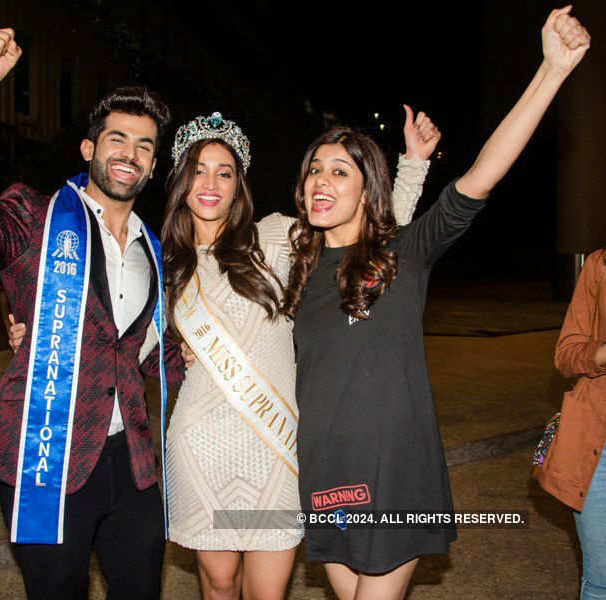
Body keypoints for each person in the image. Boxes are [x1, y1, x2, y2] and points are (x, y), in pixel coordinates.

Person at [282, 7, 590, 600]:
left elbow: (481, 177)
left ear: (367, 189)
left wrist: (550, 72)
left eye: (339, 171)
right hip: (325, 473)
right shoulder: (297, 270)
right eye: (314, 169)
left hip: (393, 474)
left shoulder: (402, 254)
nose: (321, 179)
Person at [0, 27, 184, 600]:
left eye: (143, 146)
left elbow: (157, 355)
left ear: (153, 165)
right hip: (47, 459)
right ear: (89, 149)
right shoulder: (35, 220)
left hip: (130, 463)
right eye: (116, 139)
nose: (128, 154)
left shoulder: (152, 250)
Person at [161, 107, 439, 600]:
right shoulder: (165, 263)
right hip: (199, 443)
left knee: (269, 592)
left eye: (224, 172)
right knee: (219, 582)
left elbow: (367, 232)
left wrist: (412, 167)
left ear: (239, 184)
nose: (210, 183)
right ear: (180, 182)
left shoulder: (274, 237)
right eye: (198, 171)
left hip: (275, 446)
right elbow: (125, 337)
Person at [538, 249, 606, 599]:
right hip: (598, 450)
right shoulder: (600, 264)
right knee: (601, 580)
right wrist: (600, 353)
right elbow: (566, 353)